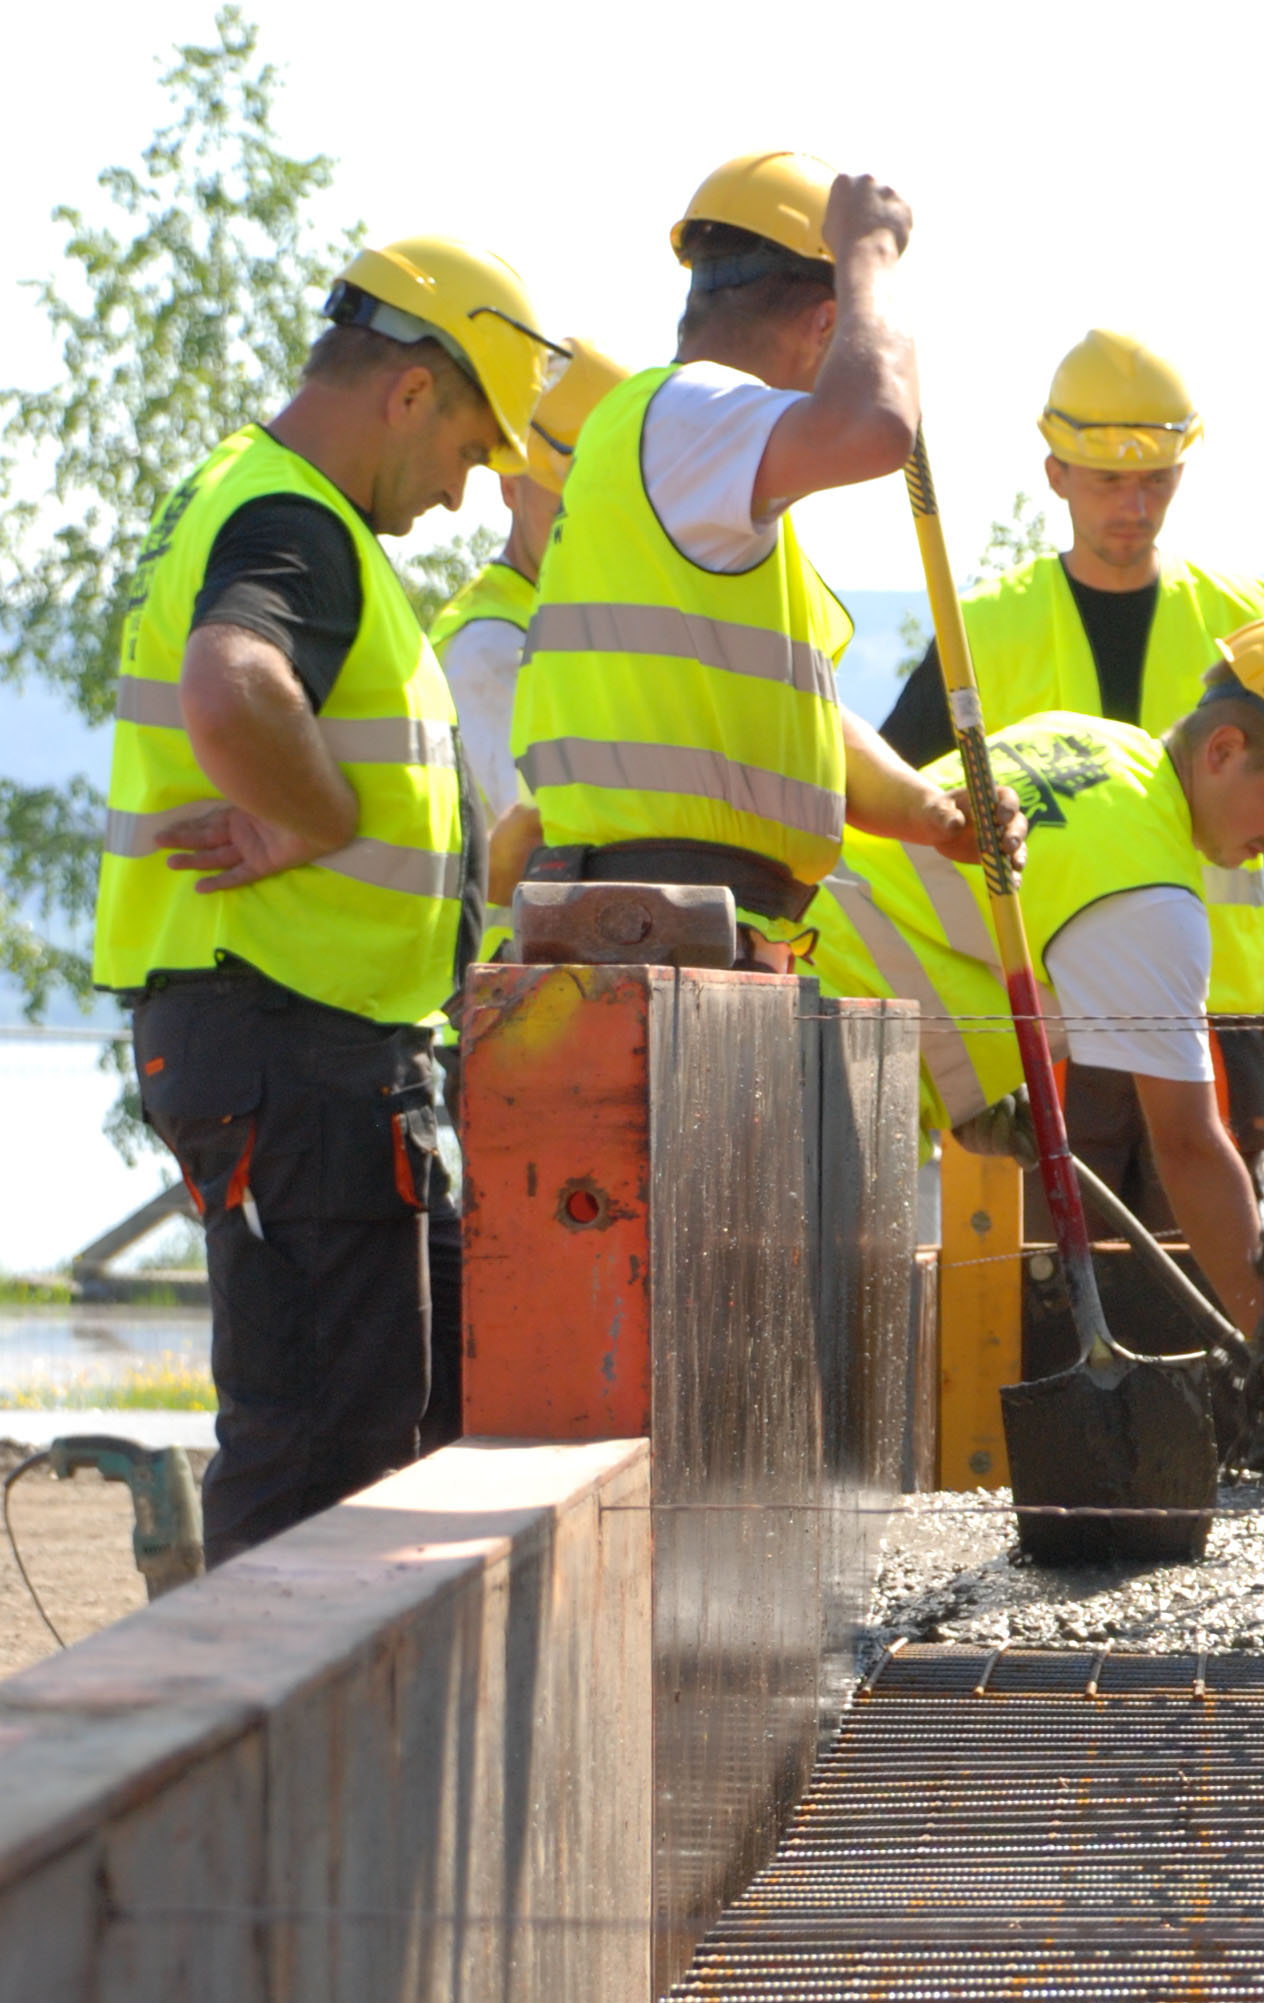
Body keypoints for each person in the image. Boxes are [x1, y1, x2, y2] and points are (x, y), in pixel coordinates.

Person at [94, 237, 557, 1561]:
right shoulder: (293, 519)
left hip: (299, 1048)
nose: (468, 492)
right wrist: (318, 814)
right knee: (317, 1462)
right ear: (410, 392)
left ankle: (329, 1750)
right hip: (289, 1044)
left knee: (372, 1429)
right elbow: (235, 683)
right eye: (471, 449)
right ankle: (280, 1759)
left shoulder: (253, 499)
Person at [501, 151, 997, 959]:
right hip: (663, 929)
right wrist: (871, 255)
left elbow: (805, 728)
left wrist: (930, 811)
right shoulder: (691, 413)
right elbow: (875, 425)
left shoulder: (688, 455)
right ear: (828, 324)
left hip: (689, 924)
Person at [808, 623, 1264, 1339]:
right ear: (1224, 751)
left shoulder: (1085, 735)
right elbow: (1188, 1148)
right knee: (805, 1359)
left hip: (785, 967)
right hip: (833, 1076)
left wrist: (978, 1091)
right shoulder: (1149, 895)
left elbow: (946, 903)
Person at [881, 331, 1264, 1176]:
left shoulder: (1241, 618)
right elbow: (888, 798)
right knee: (1040, 1289)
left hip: (1218, 1016)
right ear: (1056, 472)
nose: (1133, 507)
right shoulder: (982, 626)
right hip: (1051, 1018)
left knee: (1197, 1263)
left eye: (1156, 482)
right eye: (1108, 481)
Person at [429, 338, 627, 824]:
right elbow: (532, 844)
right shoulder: (489, 648)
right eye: (568, 498)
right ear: (510, 485)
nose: (586, 524)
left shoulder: (594, 629)